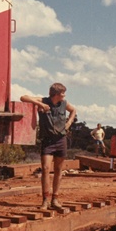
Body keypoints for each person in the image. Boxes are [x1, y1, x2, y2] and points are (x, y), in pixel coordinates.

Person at [21, 83, 77, 211]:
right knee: (46, 168)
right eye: (63, 93)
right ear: (56, 94)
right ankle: (45, 200)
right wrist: (40, 105)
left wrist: (69, 123)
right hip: (48, 141)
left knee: (58, 169)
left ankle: (55, 199)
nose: (64, 95)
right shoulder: (44, 100)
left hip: (61, 140)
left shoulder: (64, 103)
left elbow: (74, 110)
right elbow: (23, 97)